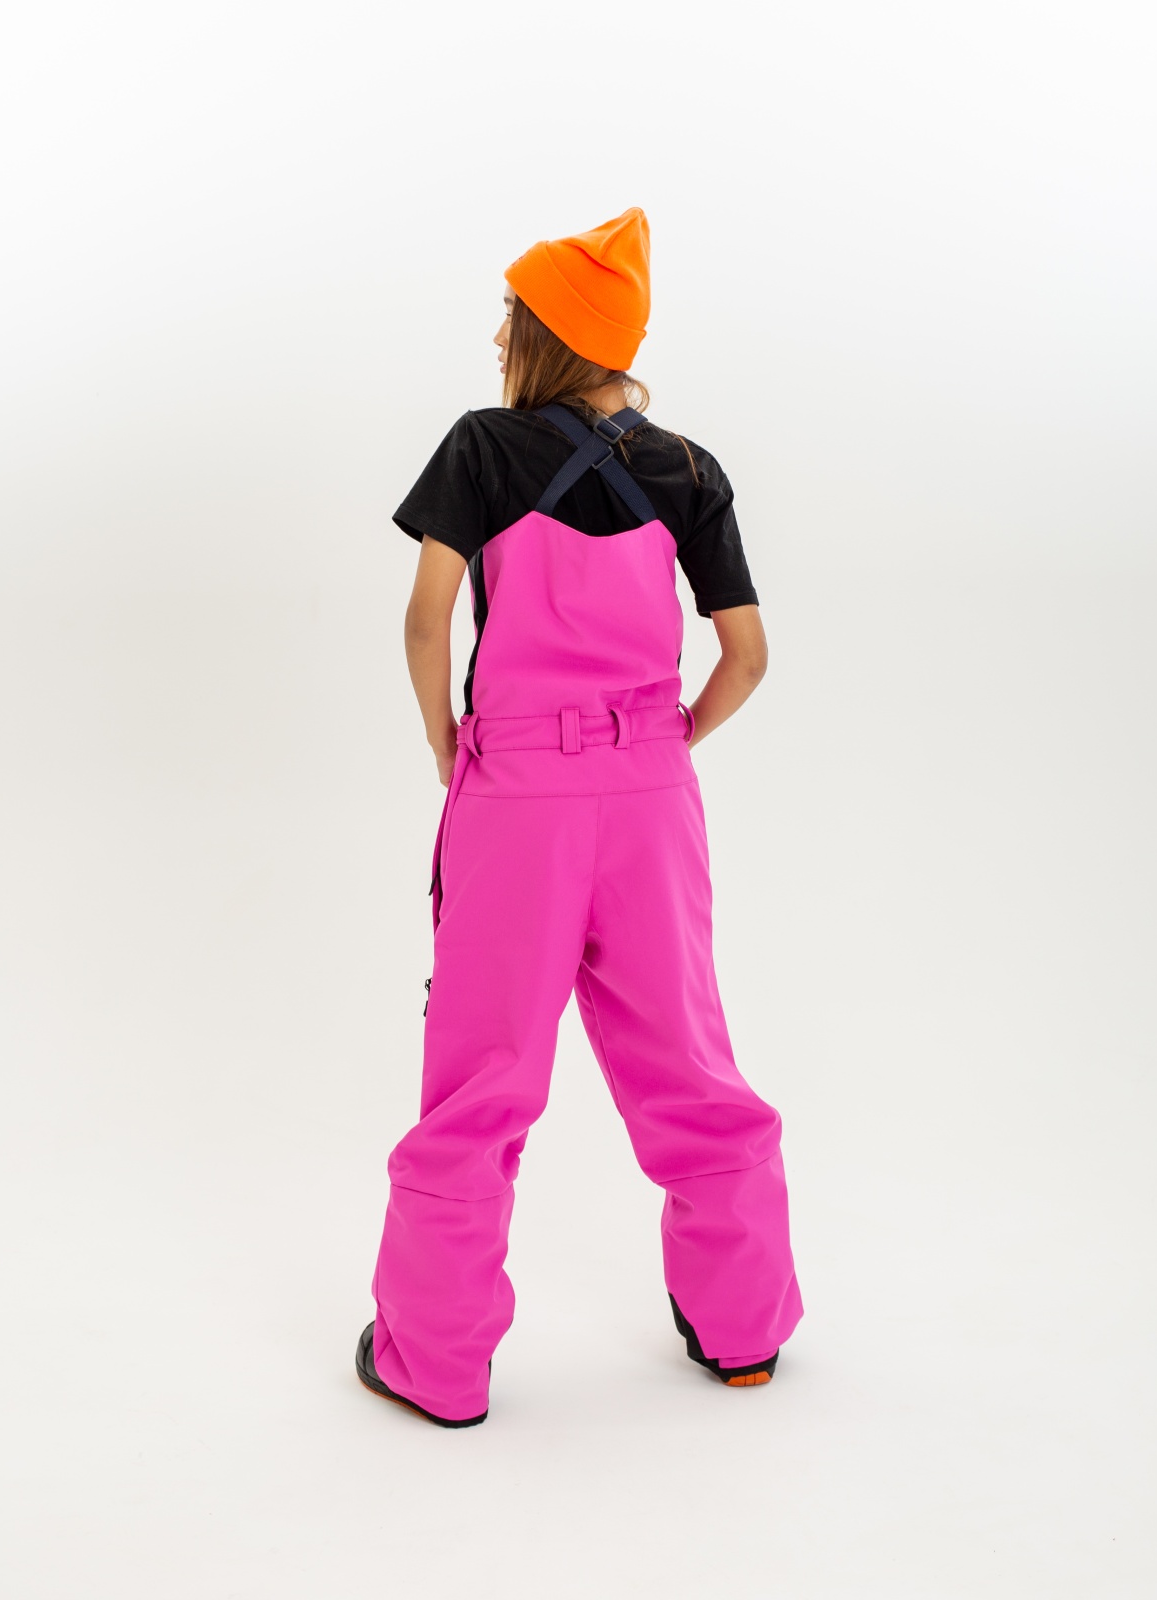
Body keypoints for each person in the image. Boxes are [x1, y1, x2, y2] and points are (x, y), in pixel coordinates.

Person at [355, 206, 804, 1427]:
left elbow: (425, 619)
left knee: (484, 1076)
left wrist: (448, 743)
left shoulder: (481, 446)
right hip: (651, 795)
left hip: (518, 800)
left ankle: (435, 1362)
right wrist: (662, 741)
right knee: (687, 1060)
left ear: (545, 334)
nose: (497, 333)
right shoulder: (689, 469)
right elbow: (748, 655)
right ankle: (743, 1329)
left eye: (510, 314)